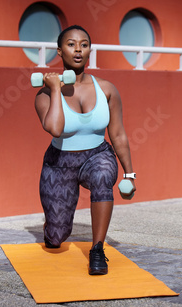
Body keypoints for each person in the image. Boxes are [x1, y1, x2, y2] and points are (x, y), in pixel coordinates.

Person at [34, 25, 136, 275]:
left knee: (103, 176)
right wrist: (57, 88)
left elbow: (118, 134)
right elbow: (55, 129)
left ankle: (97, 249)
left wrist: (129, 174)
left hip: (97, 155)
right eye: (71, 44)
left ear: (90, 50)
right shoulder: (44, 94)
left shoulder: (107, 89)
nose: (78, 49)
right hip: (59, 163)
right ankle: (53, 225)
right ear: (59, 51)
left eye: (84, 44)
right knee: (56, 237)